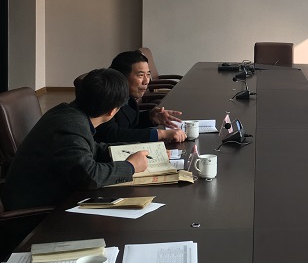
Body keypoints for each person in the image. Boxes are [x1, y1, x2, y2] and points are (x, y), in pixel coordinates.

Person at [2, 69, 149, 211]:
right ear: (112, 111)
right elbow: (89, 176)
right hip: (37, 213)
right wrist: (130, 166)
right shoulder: (71, 127)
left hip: (54, 196)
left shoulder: (69, 112)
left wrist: (135, 149)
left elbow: (93, 149)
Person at [94, 50, 186, 144]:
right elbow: (111, 135)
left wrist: (150, 118)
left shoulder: (128, 96)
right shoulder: (106, 96)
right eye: (140, 75)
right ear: (122, 77)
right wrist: (160, 134)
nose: (146, 81)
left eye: (148, 74)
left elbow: (128, 124)